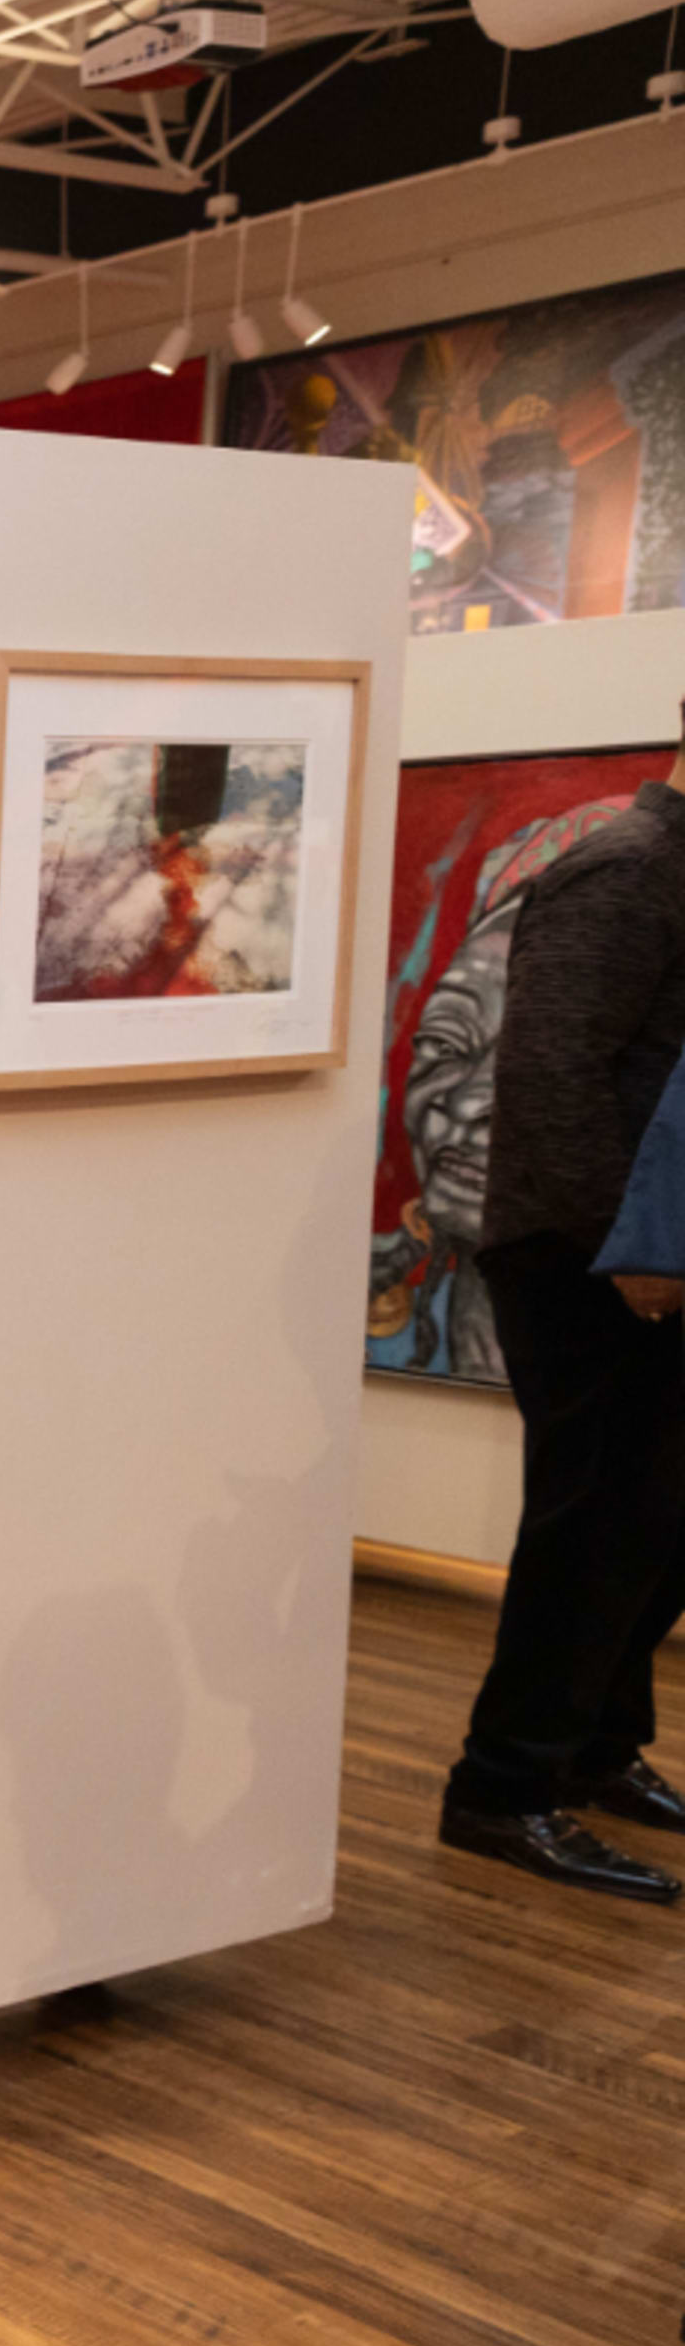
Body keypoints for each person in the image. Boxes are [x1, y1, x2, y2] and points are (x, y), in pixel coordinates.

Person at [437, 706, 685, 1900]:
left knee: (655, 1523)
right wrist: (627, 1249)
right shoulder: (630, 868)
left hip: (651, 1252)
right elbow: (552, 1075)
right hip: (595, 1262)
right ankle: (503, 1788)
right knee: (594, 1529)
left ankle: (594, 1748)